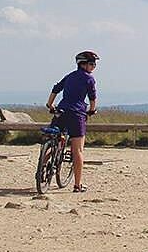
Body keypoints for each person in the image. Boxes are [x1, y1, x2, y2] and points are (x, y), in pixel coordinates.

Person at [46, 50, 99, 192]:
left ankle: (42, 169)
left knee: (53, 143)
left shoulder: (69, 76)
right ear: (84, 64)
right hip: (77, 114)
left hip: (61, 111)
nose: (94, 67)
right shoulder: (89, 79)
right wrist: (92, 110)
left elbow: (56, 88)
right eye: (92, 64)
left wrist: (50, 104)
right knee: (78, 150)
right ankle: (77, 185)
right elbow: (92, 97)